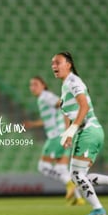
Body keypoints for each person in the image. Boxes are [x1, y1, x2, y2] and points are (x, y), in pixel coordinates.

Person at [51, 51, 108, 215]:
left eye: (58, 62)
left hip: (88, 130)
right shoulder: (66, 85)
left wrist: (72, 130)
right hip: (88, 131)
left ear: (69, 64)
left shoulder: (73, 81)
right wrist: (68, 132)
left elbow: (84, 106)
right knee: (79, 176)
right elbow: (69, 112)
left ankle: (99, 209)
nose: (54, 66)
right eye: (52, 63)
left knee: (77, 175)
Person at [24, 76, 85, 206]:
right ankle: (78, 198)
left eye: (35, 84)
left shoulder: (45, 96)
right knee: (61, 168)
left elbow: (63, 105)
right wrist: (33, 124)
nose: (32, 87)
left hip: (56, 136)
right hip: (62, 135)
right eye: (31, 85)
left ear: (43, 85)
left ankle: (70, 184)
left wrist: (67, 128)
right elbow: (49, 118)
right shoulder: (43, 99)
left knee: (43, 167)